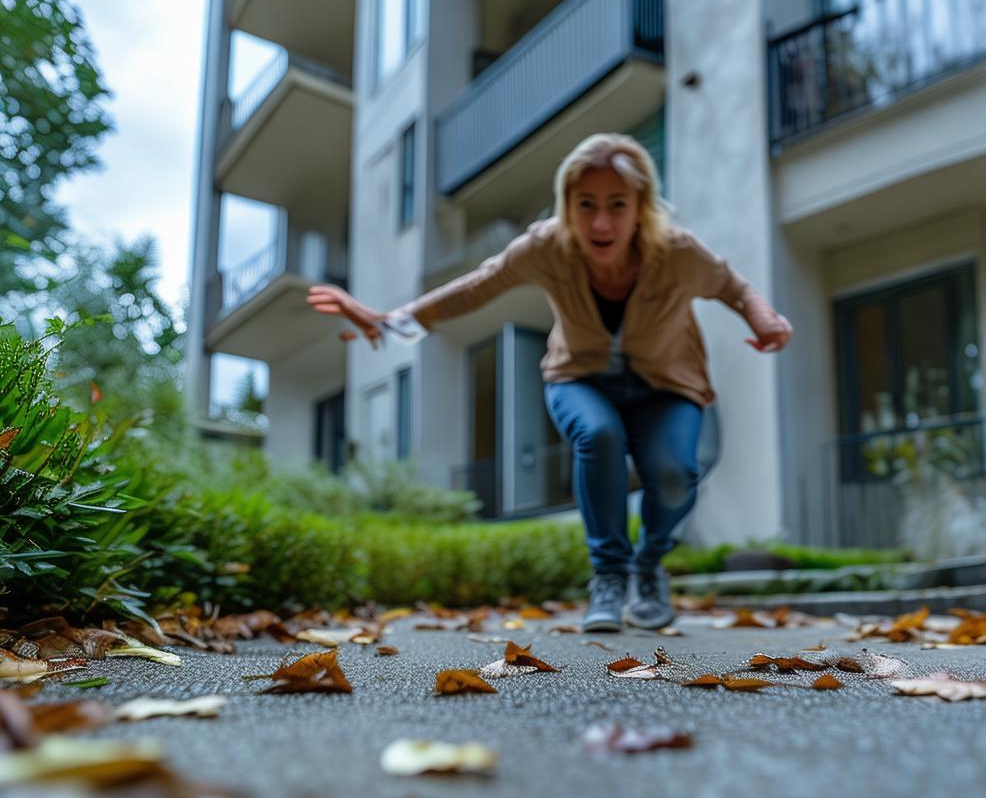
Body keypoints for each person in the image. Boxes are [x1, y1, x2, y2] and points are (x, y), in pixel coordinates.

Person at [307, 133, 792, 632]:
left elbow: (733, 286)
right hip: (579, 377)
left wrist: (764, 318)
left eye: (617, 205)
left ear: (641, 206)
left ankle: (647, 566)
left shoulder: (677, 251)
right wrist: (391, 323)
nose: (600, 222)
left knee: (672, 475)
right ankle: (607, 576)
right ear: (567, 204)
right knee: (599, 436)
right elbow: (478, 285)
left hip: (668, 383)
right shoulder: (546, 246)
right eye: (586, 205)